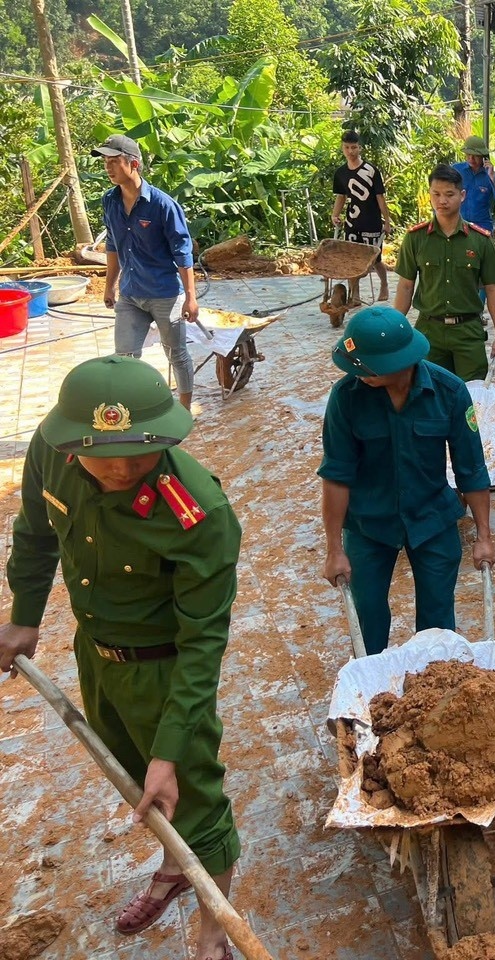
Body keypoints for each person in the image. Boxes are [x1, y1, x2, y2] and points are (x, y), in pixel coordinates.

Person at [0, 355, 241, 960]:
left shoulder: (199, 513)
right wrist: (25, 617)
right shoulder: (52, 453)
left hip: (166, 671)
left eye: (140, 450)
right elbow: (33, 534)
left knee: (193, 794)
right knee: (139, 778)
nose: (123, 466)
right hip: (95, 657)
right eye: (104, 454)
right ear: (73, 440)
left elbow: (203, 644)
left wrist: (171, 746)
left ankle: (216, 933)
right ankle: (174, 862)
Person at [318, 306, 495, 655]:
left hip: (432, 520)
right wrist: (334, 549)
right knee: (368, 614)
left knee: (437, 621)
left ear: (399, 362)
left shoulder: (450, 392)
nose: (358, 374)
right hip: (369, 524)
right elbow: (336, 476)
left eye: (367, 367)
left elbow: (471, 469)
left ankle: (434, 690)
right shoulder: (346, 398)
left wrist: (484, 537)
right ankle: (373, 687)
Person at [94, 134, 201, 410]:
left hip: (164, 294)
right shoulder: (110, 201)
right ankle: (129, 412)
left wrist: (191, 297)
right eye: (106, 162)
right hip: (130, 294)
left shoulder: (163, 205)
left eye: (114, 161)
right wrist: (110, 286)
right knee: (124, 357)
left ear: (134, 164)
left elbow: (182, 251)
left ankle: (185, 411)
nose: (109, 167)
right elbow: (113, 245)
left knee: (176, 354)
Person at [394, 164, 495, 382]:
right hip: (428, 333)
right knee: (429, 396)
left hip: (468, 333)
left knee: (472, 399)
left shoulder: (480, 240)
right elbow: (406, 286)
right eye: (436, 194)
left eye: (449, 194)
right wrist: (394, 328)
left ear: (462, 195)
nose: (442, 201)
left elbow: (492, 289)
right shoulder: (415, 239)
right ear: (430, 195)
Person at [331, 130, 392, 301]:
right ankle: (355, 295)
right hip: (352, 222)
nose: (350, 151)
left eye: (354, 147)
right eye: (347, 147)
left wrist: (387, 221)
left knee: (375, 258)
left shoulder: (371, 171)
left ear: (360, 148)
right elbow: (341, 197)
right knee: (351, 258)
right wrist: (335, 215)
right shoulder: (341, 173)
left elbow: (380, 197)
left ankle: (384, 285)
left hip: (371, 221)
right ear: (342, 148)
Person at [452, 135, 495, 234]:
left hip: (482, 226)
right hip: (457, 225)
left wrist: (492, 178)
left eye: (476, 155)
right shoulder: (455, 170)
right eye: (468, 155)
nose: (471, 158)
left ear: (484, 157)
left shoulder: (491, 175)